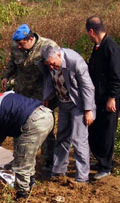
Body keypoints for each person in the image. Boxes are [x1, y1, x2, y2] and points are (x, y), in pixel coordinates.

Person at [1, 24, 59, 170]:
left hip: (42, 95)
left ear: (31, 39)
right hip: (22, 93)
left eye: (22, 44)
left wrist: (50, 96)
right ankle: (18, 159)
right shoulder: (16, 46)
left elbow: (55, 72)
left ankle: (49, 161)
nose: (19, 47)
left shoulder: (47, 46)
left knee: (44, 127)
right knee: (18, 125)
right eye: (17, 44)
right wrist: (6, 76)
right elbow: (12, 62)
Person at [41, 46, 95, 183]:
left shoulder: (75, 61)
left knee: (78, 139)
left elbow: (87, 86)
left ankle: (82, 178)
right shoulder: (50, 63)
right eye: (49, 65)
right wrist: (46, 98)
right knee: (62, 137)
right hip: (63, 102)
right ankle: (58, 171)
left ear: (59, 55)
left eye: (53, 64)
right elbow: (49, 80)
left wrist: (88, 110)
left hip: (78, 104)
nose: (52, 67)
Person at [85, 16, 120, 180]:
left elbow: (118, 76)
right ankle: (100, 160)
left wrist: (112, 97)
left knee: (107, 131)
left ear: (91, 31)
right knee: (97, 130)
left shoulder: (111, 47)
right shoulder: (98, 47)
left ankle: (106, 165)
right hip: (98, 97)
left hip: (109, 98)